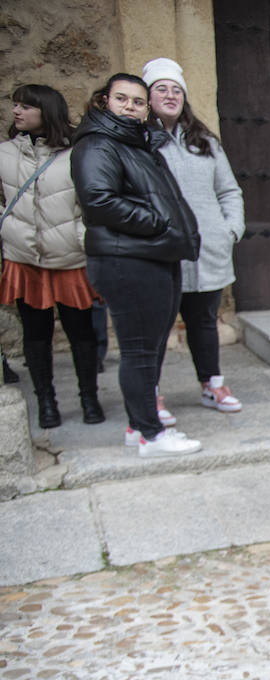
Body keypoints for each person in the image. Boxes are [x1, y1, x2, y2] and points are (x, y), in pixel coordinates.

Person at [72, 73, 202, 457]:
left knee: (151, 348)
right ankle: (150, 433)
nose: (130, 106)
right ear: (104, 102)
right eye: (122, 98)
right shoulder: (98, 143)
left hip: (151, 256)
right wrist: (158, 222)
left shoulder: (136, 143)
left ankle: (138, 424)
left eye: (138, 101)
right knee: (140, 351)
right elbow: (98, 200)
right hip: (127, 259)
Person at [143, 57, 246, 417]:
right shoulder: (138, 140)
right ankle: (150, 396)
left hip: (206, 248)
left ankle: (211, 385)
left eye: (176, 90)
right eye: (161, 89)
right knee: (156, 325)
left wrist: (229, 228)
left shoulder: (204, 141)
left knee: (204, 322)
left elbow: (229, 191)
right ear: (148, 96)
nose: (170, 95)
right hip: (159, 250)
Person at [1, 83, 104, 428]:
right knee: (36, 334)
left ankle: (89, 399)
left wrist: (81, 237)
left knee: (81, 334)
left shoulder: (77, 150)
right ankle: (47, 403)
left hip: (70, 258)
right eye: (15, 105)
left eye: (25, 106)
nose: (17, 111)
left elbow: (91, 201)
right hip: (25, 259)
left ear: (46, 110)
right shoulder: (3, 153)